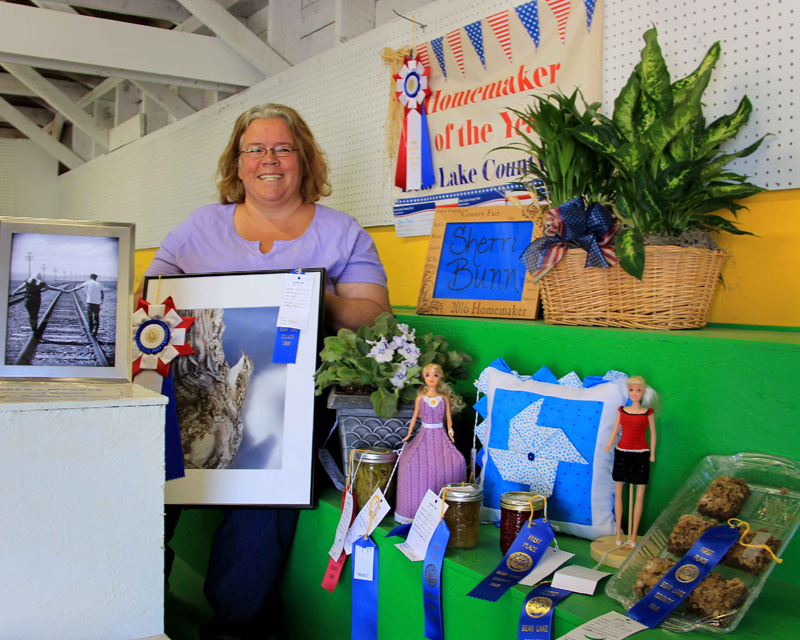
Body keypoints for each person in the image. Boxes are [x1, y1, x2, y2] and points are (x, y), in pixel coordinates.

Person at [144, 104, 391, 640]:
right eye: (254, 149)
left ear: (304, 160)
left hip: (291, 405)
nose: (268, 160)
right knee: (143, 494)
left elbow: (374, 313)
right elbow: (152, 300)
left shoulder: (341, 232)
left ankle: (233, 627)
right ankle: (133, 612)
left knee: (263, 509)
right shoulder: (199, 227)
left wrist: (310, 297)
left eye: (282, 148)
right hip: (190, 390)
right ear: (237, 163)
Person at [395, 363, 467, 523]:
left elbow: (448, 419)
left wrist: (451, 432)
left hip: (440, 433)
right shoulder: (421, 399)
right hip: (424, 433)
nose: (431, 378)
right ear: (423, 378)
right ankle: (412, 512)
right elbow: (414, 418)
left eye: (435, 375)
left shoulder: (444, 399)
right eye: (427, 375)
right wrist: (408, 435)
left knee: (454, 460)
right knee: (413, 460)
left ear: (440, 377)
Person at [603, 375, 657, 546]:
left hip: (641, 454)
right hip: (622, 452)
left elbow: (653, 435)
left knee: (639, 496)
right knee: (618, 493)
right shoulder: (622, 411)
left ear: (644, 392)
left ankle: (633, 537)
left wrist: (652, 453)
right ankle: (618, 534)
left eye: (638, 390)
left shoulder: (647, 413)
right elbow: (615, 430)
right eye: (631, 390)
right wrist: (609, 445)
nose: (634, 393)